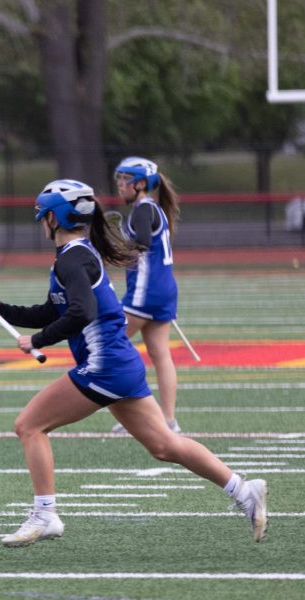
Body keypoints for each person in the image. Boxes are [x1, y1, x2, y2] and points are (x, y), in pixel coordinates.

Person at [0, 179, 266, 548]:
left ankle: (45, 514)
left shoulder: (73, 258)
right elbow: (53, 309)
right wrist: (3, 311)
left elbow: (81, 312)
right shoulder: (77, 254)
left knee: (29, 425)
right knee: (165, 446)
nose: (41, 222)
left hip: (104, 366)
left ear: (55, 219)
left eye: (43, 216)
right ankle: (243, 489)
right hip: (119, 365)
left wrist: (39, 340)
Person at [111, 156, 181, 434]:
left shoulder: (142, 210)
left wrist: (114, 248)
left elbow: (140, 244)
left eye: (124, 179)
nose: (119, 185)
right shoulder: (155, 209)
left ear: (140, 184)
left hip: (146, 291)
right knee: (160, 353)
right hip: (164, 289)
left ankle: (137, 416)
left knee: (108, 344)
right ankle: (168, 421)